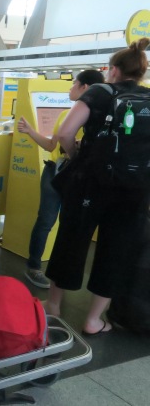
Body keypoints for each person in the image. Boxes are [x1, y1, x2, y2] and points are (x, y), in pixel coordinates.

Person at [45, 38, 150, 335]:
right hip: (134, 189)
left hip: (91, 183)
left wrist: (76, 154)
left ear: (113, 70)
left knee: (71, 241)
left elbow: (66, 132)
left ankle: (53, 306)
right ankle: (93, 320)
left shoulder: (98, 92)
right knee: (116, 251)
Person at [17, 70, 104, 289]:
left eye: (74, 84)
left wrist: (75, 155)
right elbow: (51, 145)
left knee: (65, 225)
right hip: (56, 171)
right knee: (46, 221)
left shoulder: (98, 117)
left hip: (74, 175)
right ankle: (35, 267)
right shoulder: (68, 114)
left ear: (85, 88)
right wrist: (30, 131)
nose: (70, 88)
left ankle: (56, 273)